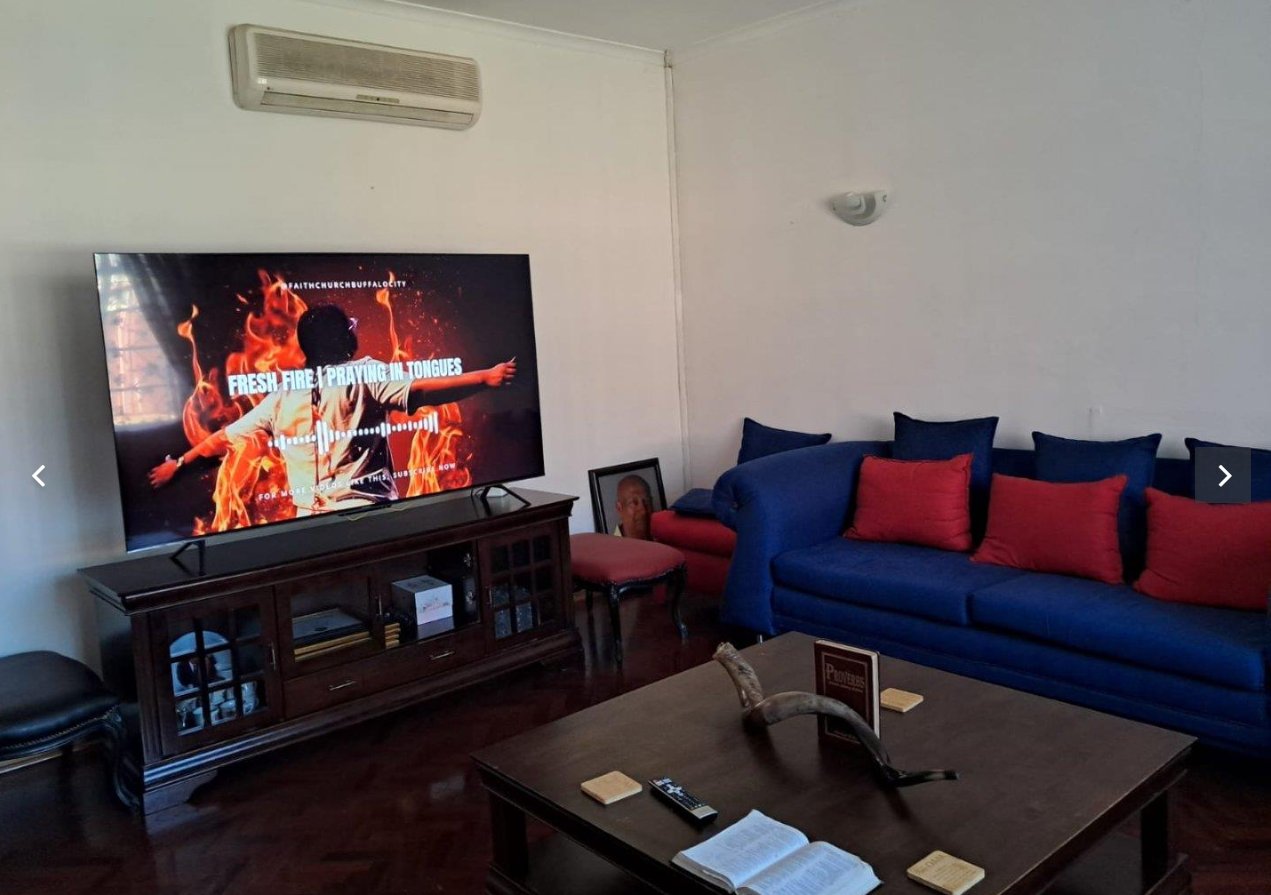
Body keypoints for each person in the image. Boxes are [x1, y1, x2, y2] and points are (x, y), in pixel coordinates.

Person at [148, 304, 516, 514]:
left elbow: (222, 440)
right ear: (343, 337)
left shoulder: (283, 394)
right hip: (371, 516)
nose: (356, 330)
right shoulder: (365, 373)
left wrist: (177, 465)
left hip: (310, 524)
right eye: (350, 326)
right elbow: (419, 392)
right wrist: (485, 378)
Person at [612, 474, 654, 539]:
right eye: (634, 503)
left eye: (647, 502)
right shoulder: (610, 545)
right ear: (619, 508)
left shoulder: (663, 540)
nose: (643, 511)